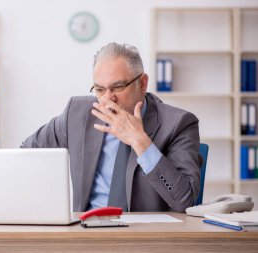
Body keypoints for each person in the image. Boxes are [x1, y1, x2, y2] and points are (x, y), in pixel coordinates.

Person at [21, 42, 201, 212]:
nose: (108, 99)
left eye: (118, 87)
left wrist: (140, 142)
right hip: (87, 232)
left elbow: (185, 200)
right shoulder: (77, 113)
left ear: (143, 84)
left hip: (146, 236)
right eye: (99, 89)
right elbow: (25, 154)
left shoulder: (179, 123)